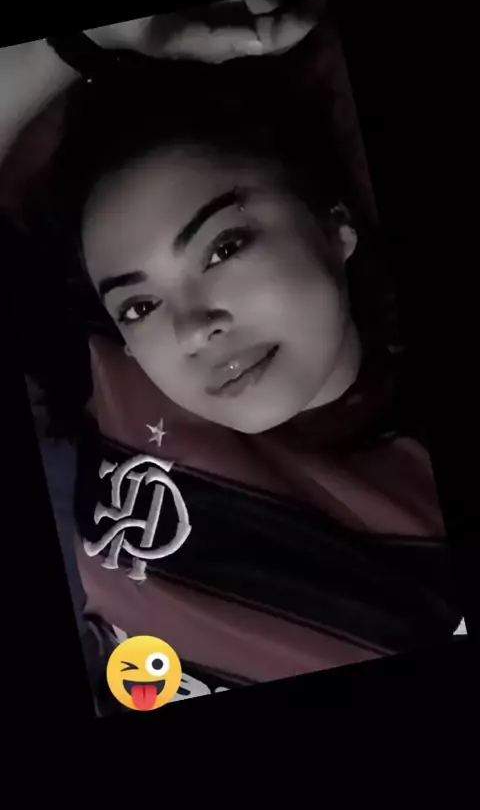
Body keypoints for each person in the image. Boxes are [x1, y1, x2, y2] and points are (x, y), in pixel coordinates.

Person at [5, 38, 461, 703]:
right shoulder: (111, 374)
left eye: (224, 248)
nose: (192, 329)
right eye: (139, 306)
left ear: (335, 224)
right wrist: (88, 40)